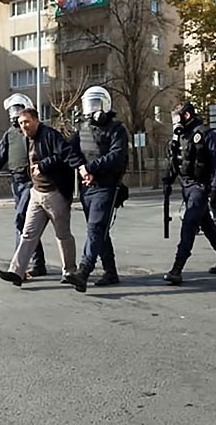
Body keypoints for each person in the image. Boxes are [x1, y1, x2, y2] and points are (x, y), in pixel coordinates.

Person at [0, 108, 86, 287]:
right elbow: (1, 156)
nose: (24, 126)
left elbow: (65, 154)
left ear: (36, 120)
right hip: (36, 194)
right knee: (28, 234)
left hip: (55, 194)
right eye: (21, 123)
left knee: (62, 235)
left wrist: (80, 168)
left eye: (27, 122)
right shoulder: (25, 139)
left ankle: (69, 271)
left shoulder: (50, 135)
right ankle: (17, 272)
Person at [63, 86, 128, 293]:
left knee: (95, 229)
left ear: (105, 105)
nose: (91, 110)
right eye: (88, 105)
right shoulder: (83, 130)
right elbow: (68, 151)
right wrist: (81, 168)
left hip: (106, 187)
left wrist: (90, 168)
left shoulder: (117, 130)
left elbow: (116, 157)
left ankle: (84, 271)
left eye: (95, 104)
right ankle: (111, 272)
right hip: (87, 188)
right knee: (100, 232)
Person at [162, 102, 216, 284]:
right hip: (187, 186)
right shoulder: (180, 137)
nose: (174, 122)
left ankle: (177, 269)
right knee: (208, 227)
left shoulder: (205, 135)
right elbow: (175, 161)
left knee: (189, 224)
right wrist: (168, 181)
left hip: (201, 187)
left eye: (176, 117)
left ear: (186, 116)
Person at [0, 93, 47, 277]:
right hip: (16, 183)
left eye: (18, 109)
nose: (15, 114)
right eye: (13, 110)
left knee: (21, 220)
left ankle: (18, 268)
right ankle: (38, 264)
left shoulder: (35, 131)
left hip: (32, 182)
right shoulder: (10, 135)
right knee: (28, 224)